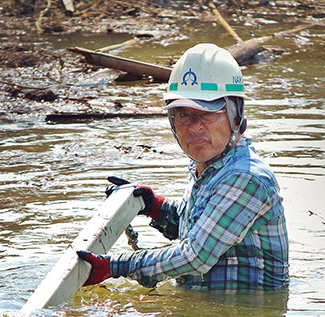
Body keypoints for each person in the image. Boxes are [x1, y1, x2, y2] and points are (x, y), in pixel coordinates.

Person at [77, 43, 289, 291]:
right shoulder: (209, 167)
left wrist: (116, 266)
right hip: (211, 312)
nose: (195, 126)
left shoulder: (246, 179)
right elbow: (200, 226)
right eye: (183, 114)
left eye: (208, 113)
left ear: (235, 117)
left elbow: (195, 257)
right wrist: (155, 207)